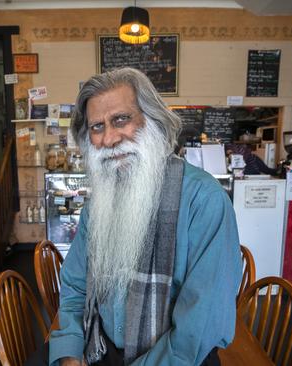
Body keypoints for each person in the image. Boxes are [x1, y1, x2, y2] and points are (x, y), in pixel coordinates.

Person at [37, 68, 241, 366]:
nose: (109, 138)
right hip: (99, 348)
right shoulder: (98, 206)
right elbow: (76, 286)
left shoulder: (204, 200)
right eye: (97, 127)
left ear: (152, 120)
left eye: (121, 119)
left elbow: (200, 326)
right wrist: (69, 351)